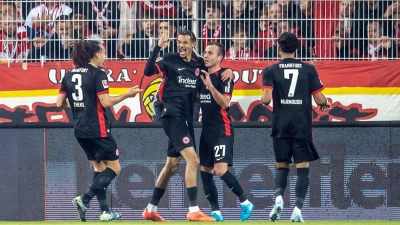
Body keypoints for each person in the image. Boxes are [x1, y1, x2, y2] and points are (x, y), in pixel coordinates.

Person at [142, 30, 231, 222]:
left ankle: (150, 209)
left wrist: (228, 71)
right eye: (178, 42)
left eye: (185, 42)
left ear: (193, 44)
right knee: (194, 160)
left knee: (172, 166)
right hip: (170, 113)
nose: (181, 45)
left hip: (185, 118)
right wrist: (158, 46)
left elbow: (215, 69)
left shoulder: (199, 63)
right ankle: (193, 210)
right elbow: (148, 71)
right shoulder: (169, 59)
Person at [56, 40, 142, 222]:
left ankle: (105, 211)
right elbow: (106, 102)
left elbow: (59, 103)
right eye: (103, 53)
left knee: (99, 167)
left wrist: (81, 106)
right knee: (114, 168)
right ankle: (84, 199)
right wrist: (127, 94)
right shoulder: (98, 73)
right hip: (98, 128)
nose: (105, 57)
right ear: (96, 55)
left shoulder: (69, 74)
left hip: (80, 129)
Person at [260, 32, 331, 223]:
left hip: (280, 125)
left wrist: (264, 98)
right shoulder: (308, 70)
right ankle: (298, 210)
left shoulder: (270, 70)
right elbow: (319, 98)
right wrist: (325, 104)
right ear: (297, 48)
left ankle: (278, 198)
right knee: (303, 168)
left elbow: (266, 99)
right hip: (301, 125)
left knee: (282, 166)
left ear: (279, 48)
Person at [199, 42, 254, 222]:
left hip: (222, 130)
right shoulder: (202, 74)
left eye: (210, 53)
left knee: (220, 170)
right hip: (206, 131)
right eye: (205, 52)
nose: (205, 56)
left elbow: (225, 103)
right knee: (205, 170)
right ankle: (216, 212)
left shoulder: (225, 77)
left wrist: (210, 87)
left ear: (220, 57)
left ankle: (245, 202)